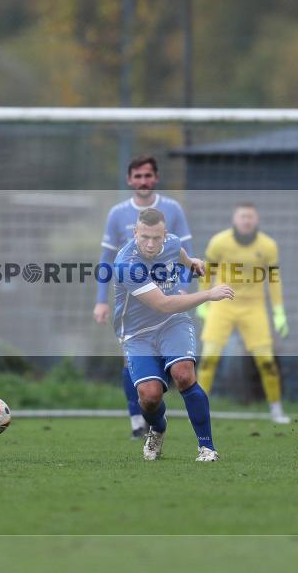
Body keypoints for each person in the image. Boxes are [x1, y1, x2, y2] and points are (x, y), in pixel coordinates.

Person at [114, 208, 233, 462]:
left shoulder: (173, 242)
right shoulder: (126, 264)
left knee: (183, 374)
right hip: (137, 334)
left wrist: (192, 263)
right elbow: (163, 304)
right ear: (135, 232)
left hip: (172, 323)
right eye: (144, 236)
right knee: (149, 396)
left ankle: (207, 447)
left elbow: (178, 253)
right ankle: (157, 427)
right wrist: (208, 295)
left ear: (164, 234)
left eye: (156, 238)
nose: (150, 243)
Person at [93, 156, 193, 439]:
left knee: (175, 360)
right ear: (129, 180)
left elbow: (185, 249)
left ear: (156, 178)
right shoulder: (117, 213)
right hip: (133, 299)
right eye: (137, 176)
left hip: (167, 296)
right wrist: (101, 300)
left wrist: (185, 285)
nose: (143, 181)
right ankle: (138, 418)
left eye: (148, 175)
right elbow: (106, 258)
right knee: (130, 359)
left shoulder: (172, 209)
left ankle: (155, 409)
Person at [195, 203, 291, 424]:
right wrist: (204, 299)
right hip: (222, 305)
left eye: (250, 217)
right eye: (242, 216)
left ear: (256, 220)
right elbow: (206, 271)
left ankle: (276, 409)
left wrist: (278, 312)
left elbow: (274, 280)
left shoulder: (268, 245)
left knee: (266, 361)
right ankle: (198, 409)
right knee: (208, 358)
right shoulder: (219, 241)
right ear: (234, 219)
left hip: (254, 307)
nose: (246, 221)